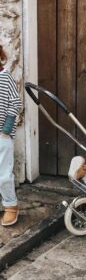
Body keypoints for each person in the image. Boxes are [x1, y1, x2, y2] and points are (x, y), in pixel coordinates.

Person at [0, 45, 22, 226]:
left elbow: (15, 104)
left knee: (4, 175)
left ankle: (10, 206)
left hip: (2, 137)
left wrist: (5, 131)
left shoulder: (5, 78)